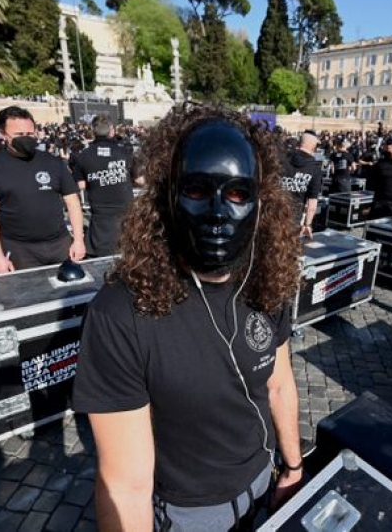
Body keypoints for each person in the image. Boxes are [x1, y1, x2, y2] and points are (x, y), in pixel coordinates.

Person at [72, 104, 304, 531]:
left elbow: (279, 383)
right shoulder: (121, 313)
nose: (218, 213)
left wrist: (292, 466)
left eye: (237, 194)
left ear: (261, 203)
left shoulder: (267, 279)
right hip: (191, 515)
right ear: (167, 195)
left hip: (263, 483)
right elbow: (125, 487)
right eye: (197, 190)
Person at [0, 106, 86, 272]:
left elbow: (73, 203)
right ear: (3, 134)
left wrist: (78, 239)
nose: (25, 139)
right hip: (19, 248)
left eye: (29, 134)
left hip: (59, 244)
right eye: (19, 135)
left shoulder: (53, 163)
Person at [71, 115, 136, 257]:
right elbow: (140, 179)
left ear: (93, 132)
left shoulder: (84, 156)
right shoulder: (125, 153)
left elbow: (81, 185)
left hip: (100, 218)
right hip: (126, 214)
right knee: (128, 254)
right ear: (112, 131)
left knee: (101, 261)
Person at [280, 129, 322, 237]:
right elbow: (312, 202)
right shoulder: (315, 168)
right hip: (293, 215)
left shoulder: (282, 158)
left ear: (299, 143)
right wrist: (307, 224)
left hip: (274, 210)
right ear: (314, 148)